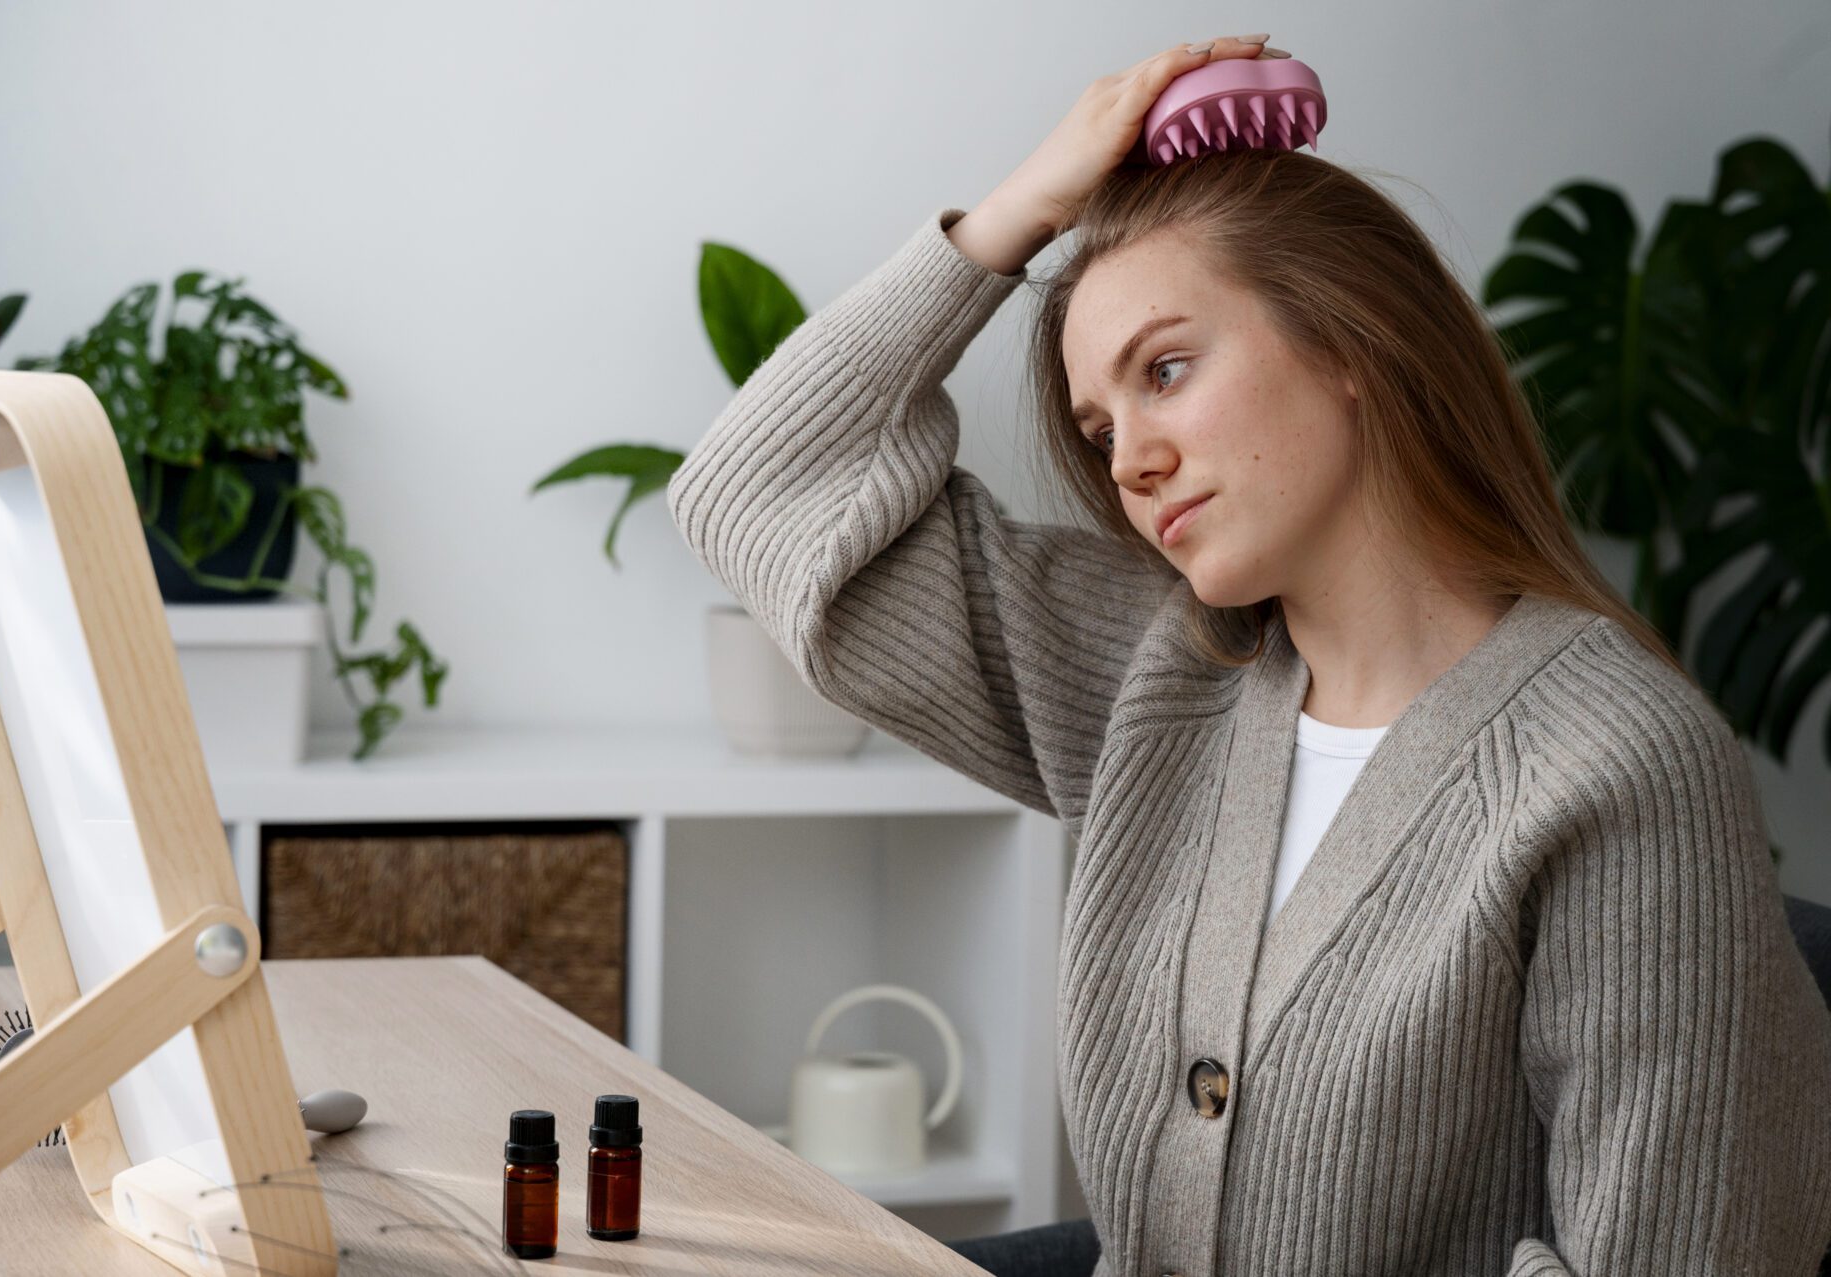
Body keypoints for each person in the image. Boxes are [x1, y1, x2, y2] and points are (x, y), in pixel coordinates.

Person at [666, 33, 1831, 1277]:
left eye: (1167, 369)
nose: (1127, 463)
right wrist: (1022, 210)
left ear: (1352, 340)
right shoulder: (1160, 678)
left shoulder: (1617, 767)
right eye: (1100, 425)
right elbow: (756, 498)